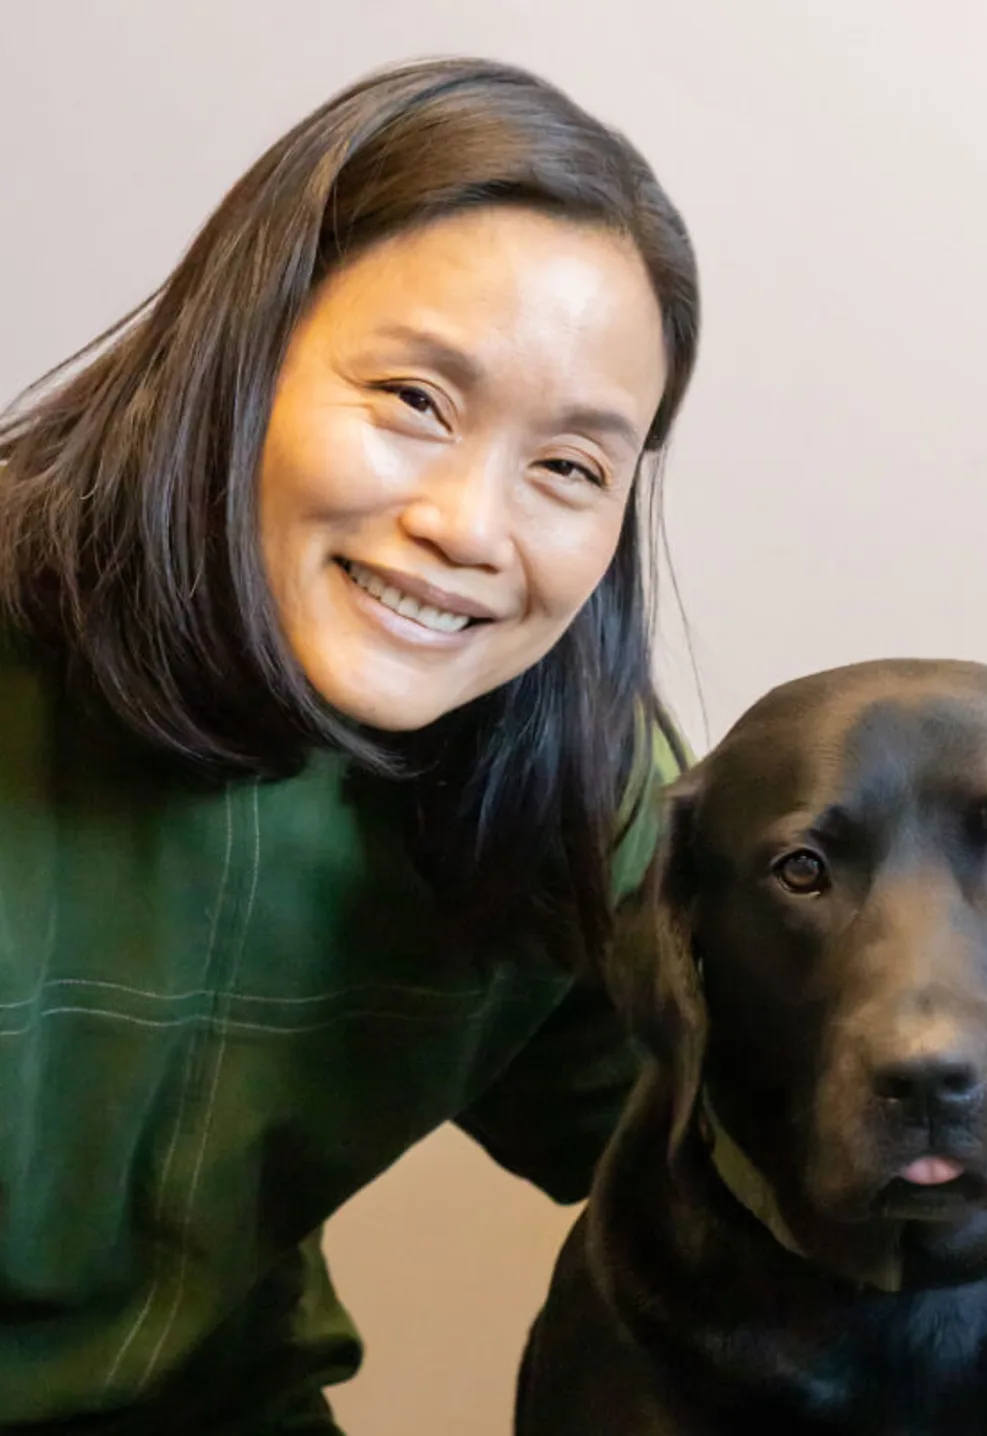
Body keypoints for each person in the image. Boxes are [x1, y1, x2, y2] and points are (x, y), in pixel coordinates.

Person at [0, 56, 698, 1432]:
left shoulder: (573, 786)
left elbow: (757, 1162)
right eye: (414, 402)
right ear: (239, 353)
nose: (470, 526)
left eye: (569, 467)